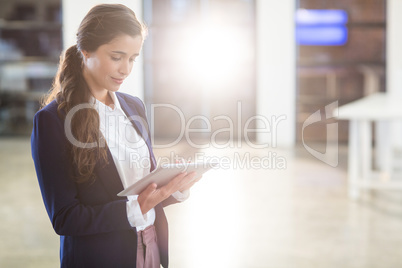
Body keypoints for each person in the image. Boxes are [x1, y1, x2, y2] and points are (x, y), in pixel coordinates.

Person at [31, 4, 198, 268]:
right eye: (117, 57)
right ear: (86, 51)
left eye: (133, 58)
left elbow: (144, 190)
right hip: (101, 258)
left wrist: (174, 188)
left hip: (150, 249)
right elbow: (64, 218)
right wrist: (135, 208)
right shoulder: (53, 121)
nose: (126, 69)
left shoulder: (134, 107)